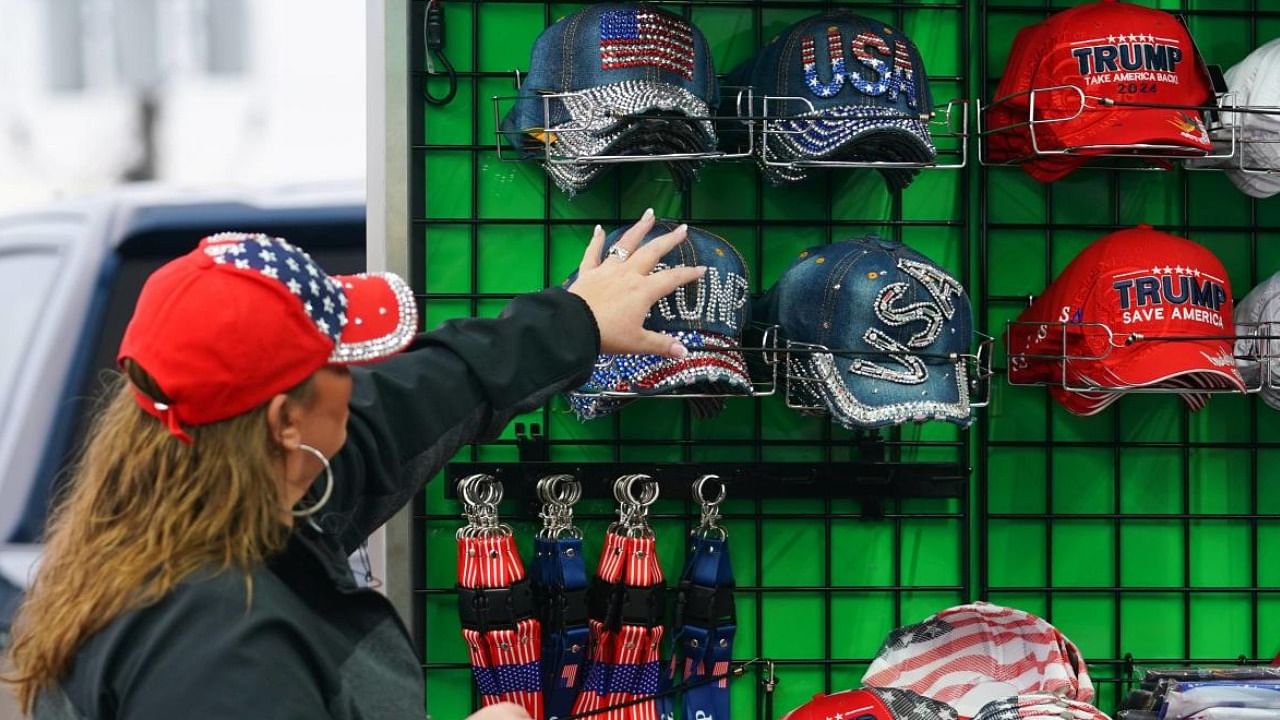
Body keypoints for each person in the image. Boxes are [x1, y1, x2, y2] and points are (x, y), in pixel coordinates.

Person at [3, 211, 701, 719]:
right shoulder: (222, 640)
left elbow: (417, 397)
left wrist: (573, 320)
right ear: (283, 423)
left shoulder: (190, 498)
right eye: (338, 366)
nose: (362, 379)